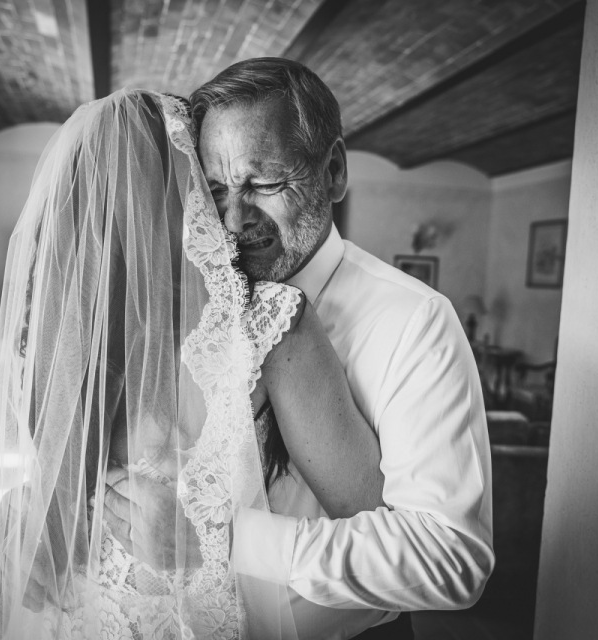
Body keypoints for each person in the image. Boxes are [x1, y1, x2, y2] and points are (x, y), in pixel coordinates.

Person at [109, 59, 495, 639]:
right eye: (216, 191)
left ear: (334, 171)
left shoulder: (414, 320)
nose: (235, 221)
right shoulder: (192, 306)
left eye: (265, 184)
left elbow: (452, 560)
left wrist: (225, 541)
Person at [0, 88, 387, 640]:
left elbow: (381, 539)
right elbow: (57, 485)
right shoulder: (263, 323)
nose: (221, 205)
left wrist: (217, 540)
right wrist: (27, 509)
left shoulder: (267, 325)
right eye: (208, 180)